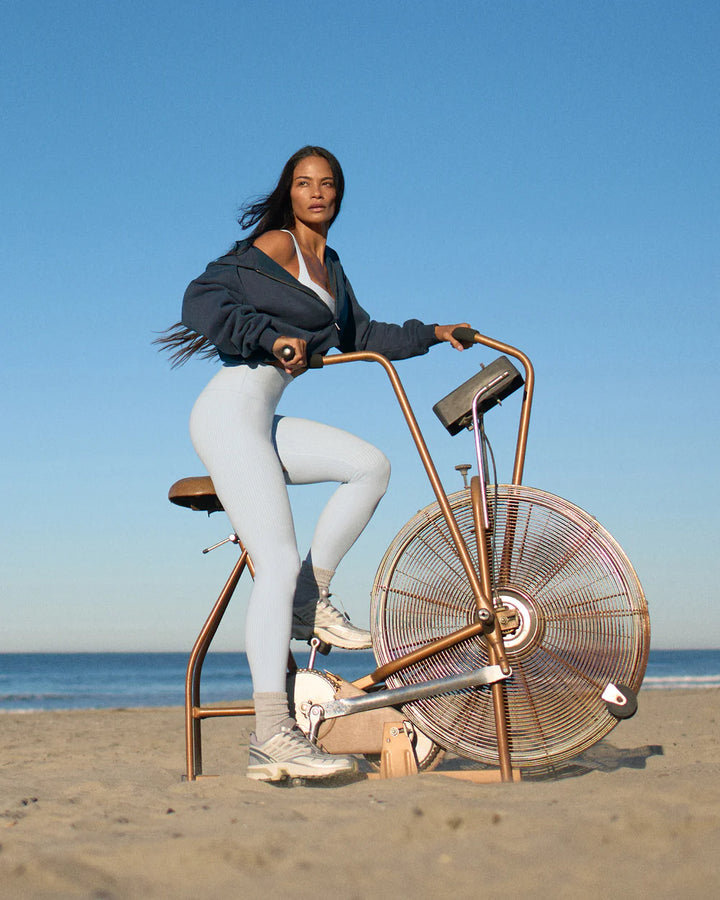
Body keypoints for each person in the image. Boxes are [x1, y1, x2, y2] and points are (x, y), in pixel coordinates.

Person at [159, 146, 470, 782]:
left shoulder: (331, 268)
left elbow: (364, 335)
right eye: (303, 183)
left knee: (369, 465)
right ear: (289, 193)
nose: (316, 192)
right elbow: (201, 297)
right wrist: (268, 338)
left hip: (261, 420)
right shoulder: (276, 246)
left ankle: (311, 595)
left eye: (326, 184)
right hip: (228, 412)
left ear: (339, 195)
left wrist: (434, 333)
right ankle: (271, 732)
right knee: (273, 561)